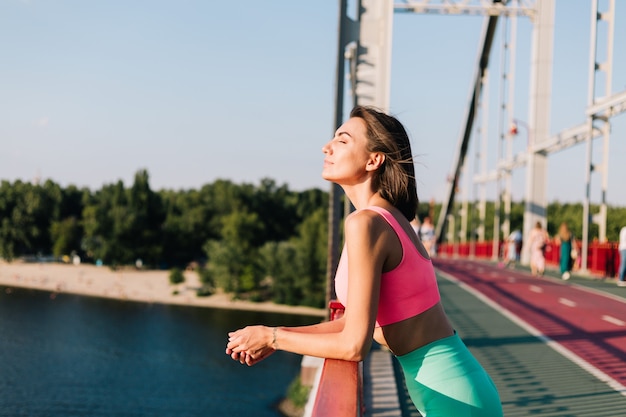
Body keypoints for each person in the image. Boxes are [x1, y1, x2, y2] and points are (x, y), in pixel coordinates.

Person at [225, 106, 503, 416]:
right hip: (455, 387)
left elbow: (354, 346)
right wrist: (272, 333)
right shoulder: (387, 219)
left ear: (373, 160)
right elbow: (353, 324)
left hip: (453, 398)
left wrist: (273, 338)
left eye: (342, 140)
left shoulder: (367, 224)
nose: (326, 147)